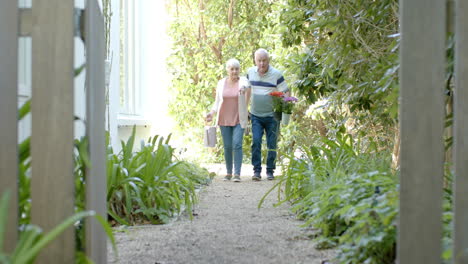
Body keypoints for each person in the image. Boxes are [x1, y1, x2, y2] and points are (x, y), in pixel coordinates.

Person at [247, 48, 289, 181]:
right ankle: (257, 171)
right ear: (255, 60)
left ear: (268, 60)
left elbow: (286, 92)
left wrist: (286, 106)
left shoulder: (276, 74)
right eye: (259, 60)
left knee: (272, 143)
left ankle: (270, 170)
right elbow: (245, 90)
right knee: (256, 141)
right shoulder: (249, 73)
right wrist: (243, 109)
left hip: (272, 116)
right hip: (255, 115)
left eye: (264, 60)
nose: (261, 63)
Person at [206, 58, 250, 182]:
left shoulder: (242, 81)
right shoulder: (221, 83)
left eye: (237, 69)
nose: (234, 71)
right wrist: (211, 113)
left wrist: (243, 90)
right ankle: (229, 173)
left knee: (237, 144)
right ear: (227, 70)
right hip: (224, 118)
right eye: (232, 69)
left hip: (238, 118)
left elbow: (247, 86)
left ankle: (237, 174)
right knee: (227, 146)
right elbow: (217, 102)